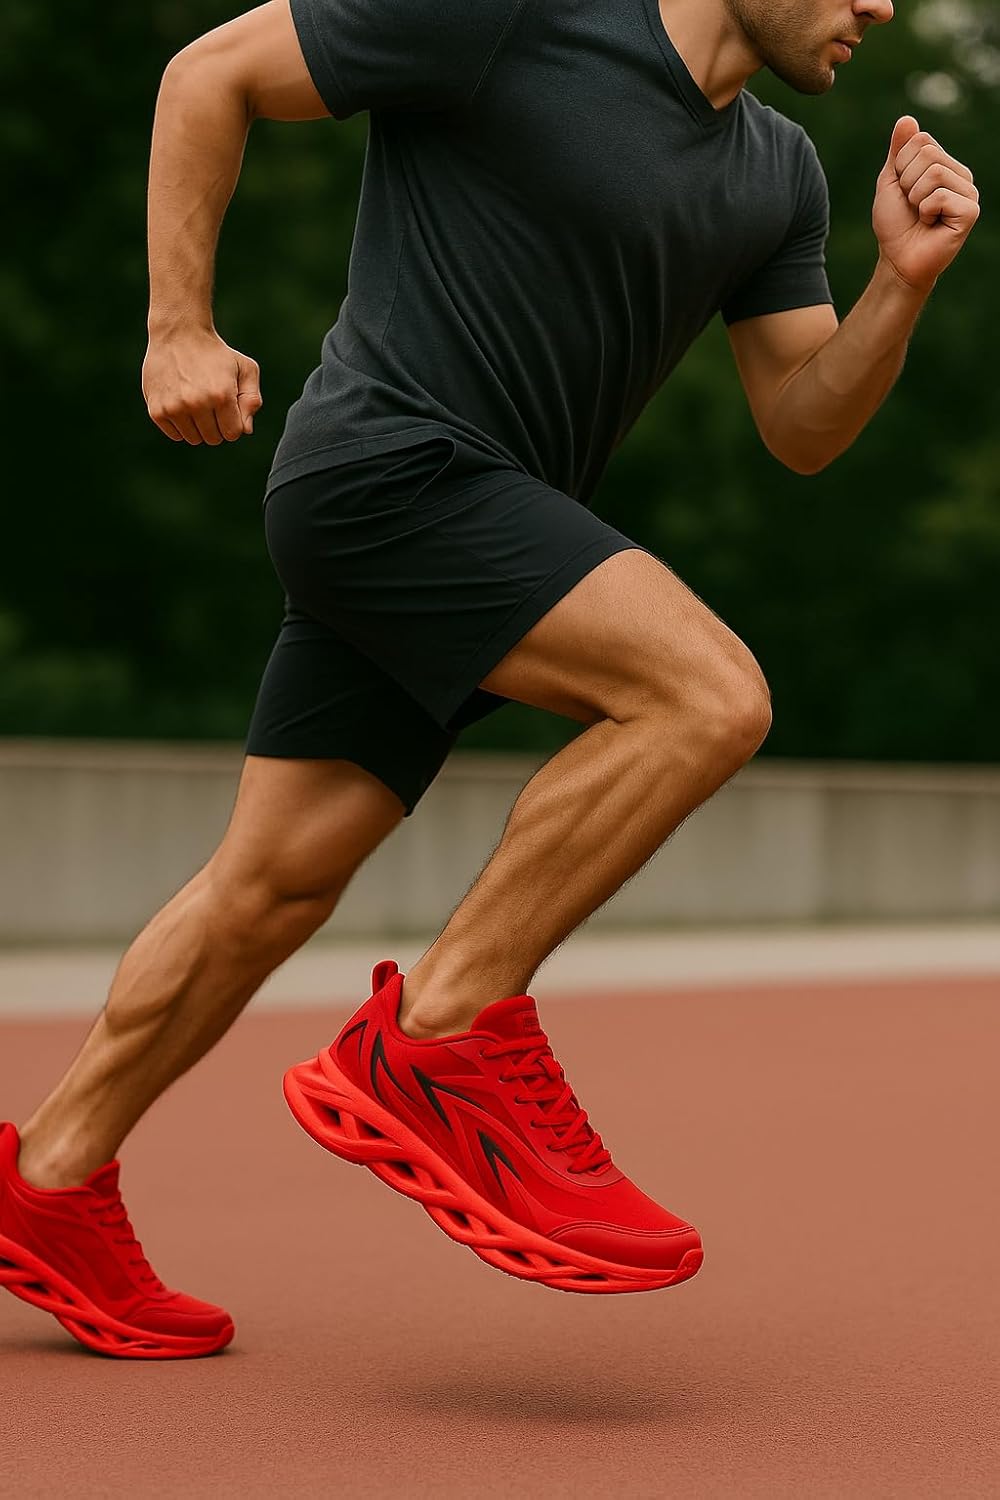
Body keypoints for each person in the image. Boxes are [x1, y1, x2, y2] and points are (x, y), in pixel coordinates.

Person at [0, 0, 979, 1357]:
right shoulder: (510, 15)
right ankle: (441, 1032)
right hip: (387, 471)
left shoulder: (778, 170)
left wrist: (902, 282)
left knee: (270, 882)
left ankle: (51, 1177)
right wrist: (178, 326)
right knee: (706, 696)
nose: (877, 6)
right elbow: (207, 70)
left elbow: (801, 425)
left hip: (461, 518)